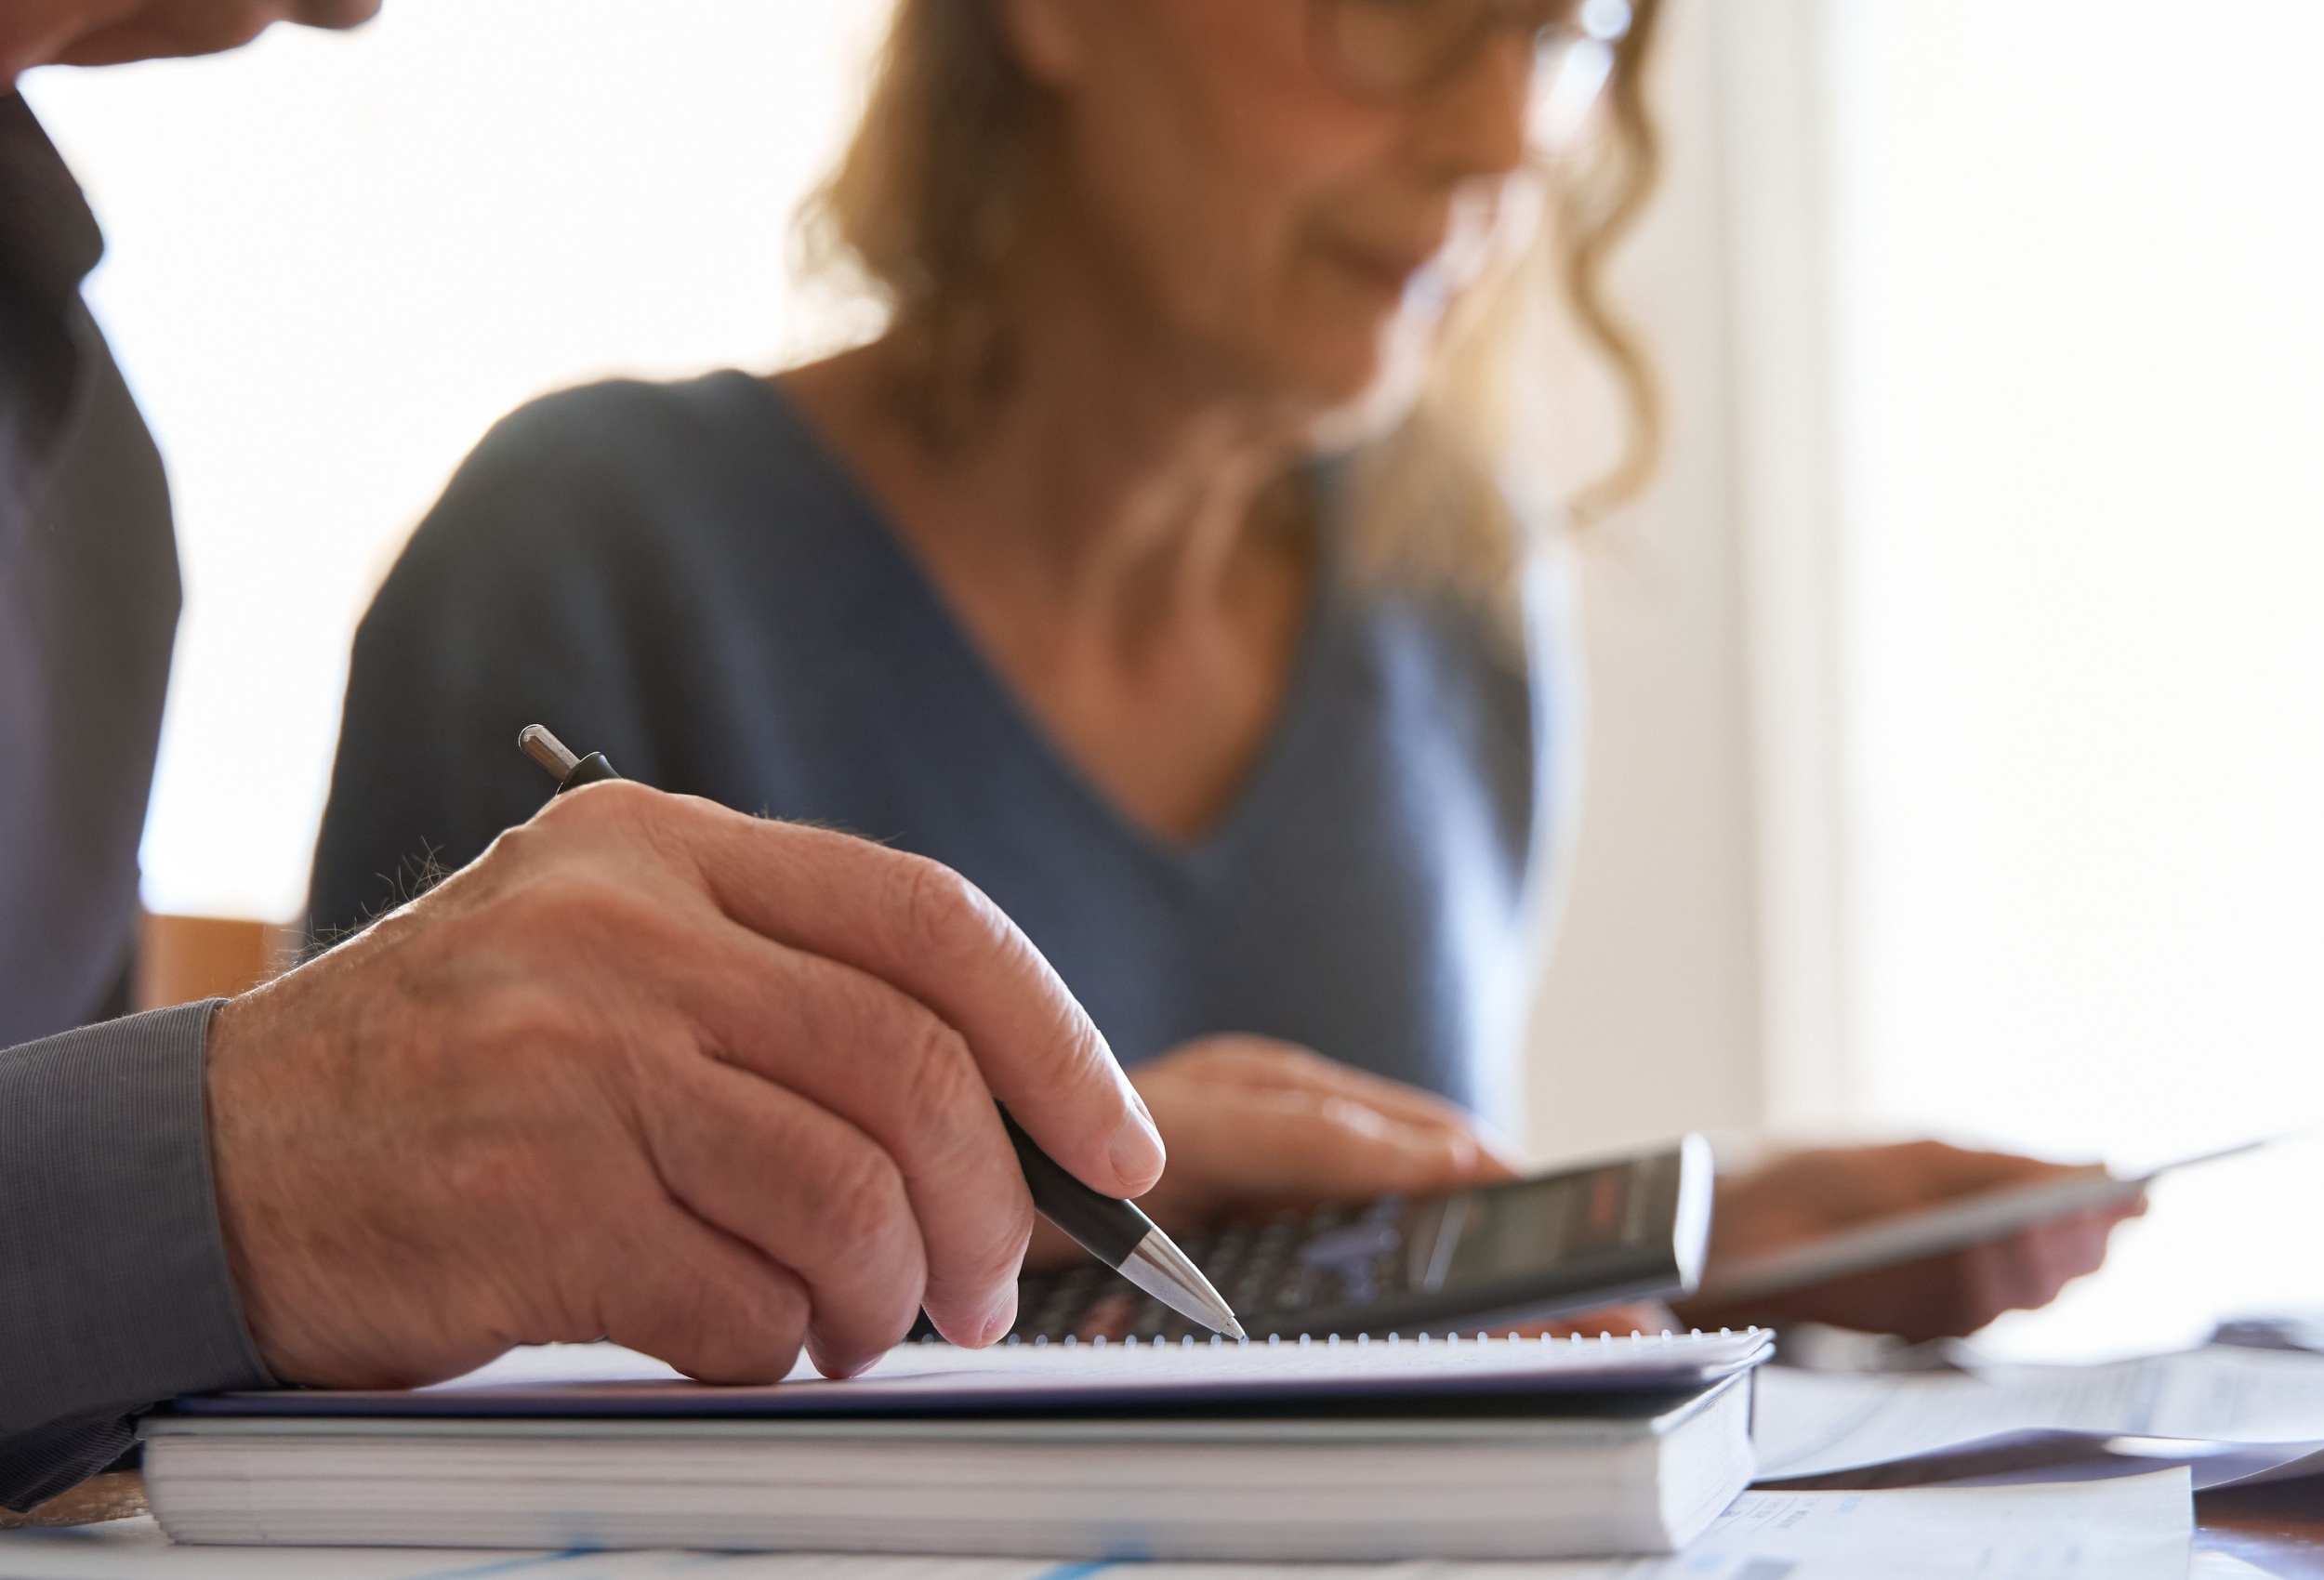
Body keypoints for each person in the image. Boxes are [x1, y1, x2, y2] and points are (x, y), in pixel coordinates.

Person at [311, 0, 2138, 1354]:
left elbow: (1294, 1335)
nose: (1504, 125)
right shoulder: (584, 562)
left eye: (1569, 22)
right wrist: (1008, 1218)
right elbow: (372, 1355)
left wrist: (1681, 1239)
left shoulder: (1456, 614)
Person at [0, 0, 1384, 1514]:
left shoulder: (81, 476)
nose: (1510, 127)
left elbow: (52, 1455)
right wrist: (256, 1168)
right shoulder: (575, 543)